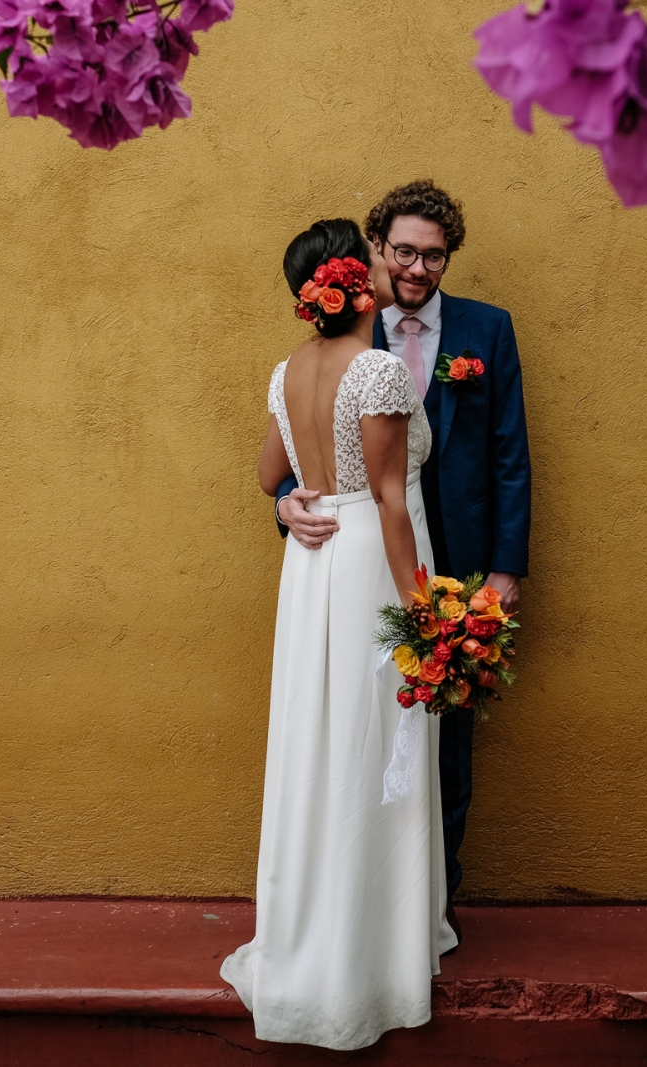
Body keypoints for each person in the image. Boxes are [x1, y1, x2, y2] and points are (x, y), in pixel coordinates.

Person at [221, 218, 456, 1050]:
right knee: (370, 737)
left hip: (314, 561)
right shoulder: (379, 370)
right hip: (366, 565)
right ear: (359, 286)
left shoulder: (289, 371)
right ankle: (372, 951)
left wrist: (295, 498)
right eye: (378, 257)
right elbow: (393, 502)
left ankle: (319, 923)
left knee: (322, 737)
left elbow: (265, 475)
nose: (398, 268)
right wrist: (424, 617)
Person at [274, 181, 532, 931]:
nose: (419, 268)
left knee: (446, 745)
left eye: (436, 255)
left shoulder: (488, 330)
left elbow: (511, 454)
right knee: (362, 726)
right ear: (376, 251)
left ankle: (430, 901)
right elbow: (307, 447)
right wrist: (290, 500)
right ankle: (367, 912)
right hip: (374, 571)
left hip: (462, 564)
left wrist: (506, 569)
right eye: (405, 252)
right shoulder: (348, 335)